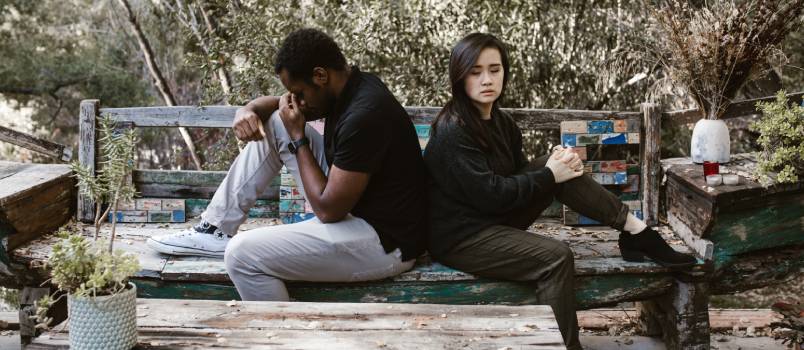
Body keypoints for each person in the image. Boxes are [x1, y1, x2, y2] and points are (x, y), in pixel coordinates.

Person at [423, 33, 696, 350]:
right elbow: (493, 194)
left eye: (494, 69)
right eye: (475, 71)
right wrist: (550, 173)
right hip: (460, 236)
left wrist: (554, 165)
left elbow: (515, 176)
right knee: (556, 257)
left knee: (557, 166)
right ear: (459, 76)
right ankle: (567, 346)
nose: (487, 79)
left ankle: (635, 230)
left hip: (489, 217)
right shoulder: (453, 129)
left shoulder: (501, 121)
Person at [147, 28, 428, 301]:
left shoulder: (365, 115)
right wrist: (249, 111)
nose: (297, 102)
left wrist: (298, 137)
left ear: (321, 75)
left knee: (242, 255)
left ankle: (284, 333)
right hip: (355, 208)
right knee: (279, 120)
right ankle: (215, 228)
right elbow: (281, 105)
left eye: (299, 93)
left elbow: (329, 210)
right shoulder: (349, 85)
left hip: (385, 243)